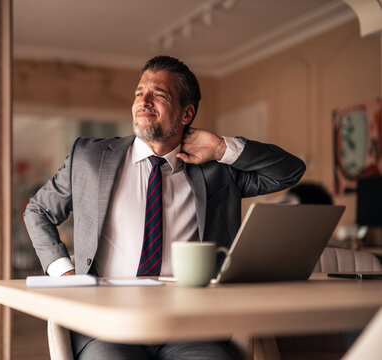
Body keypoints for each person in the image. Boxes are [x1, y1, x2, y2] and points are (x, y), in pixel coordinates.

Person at [24, 55, 306, 360]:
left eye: (158, 94)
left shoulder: (217, 171)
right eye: (139, 92)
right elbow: (38, 211)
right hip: (108, 326)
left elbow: (289, 171)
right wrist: (66, 274)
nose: (143, 101)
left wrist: (223, 148)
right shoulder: (89, 158)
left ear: (186, 114)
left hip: (189, 327)